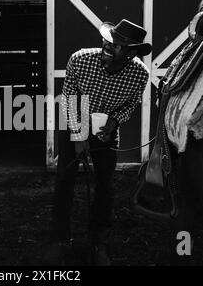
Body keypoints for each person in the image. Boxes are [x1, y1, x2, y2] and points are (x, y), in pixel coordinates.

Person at [45, 19, 152, 265]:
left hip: (106, 128)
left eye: (114, 45)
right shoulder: (80, 60)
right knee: (65, 179)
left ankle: (99, 241)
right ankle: (60, 239)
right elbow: (69, 98)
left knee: (105, 185)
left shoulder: (140, 75)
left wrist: (114, 122)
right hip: (75, 120)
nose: (106, 46)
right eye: (106, 40)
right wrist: (79, 135)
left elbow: (131, 104)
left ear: (131, 52)